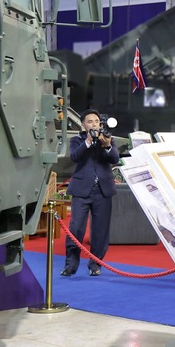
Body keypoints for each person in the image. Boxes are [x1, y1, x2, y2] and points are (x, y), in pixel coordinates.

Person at [63, 109, 120, 276]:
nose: (94, 124)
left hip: (103, 191)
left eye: (96, 121)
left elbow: (115, 158)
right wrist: (88, 141)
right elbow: (74, 156)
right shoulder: (77, 140)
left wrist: (107, 145)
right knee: (76, 228)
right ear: (83, 125)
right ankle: (70, 265)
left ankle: (95, 264)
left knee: (100, 231)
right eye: (90, 122)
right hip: (82, 191)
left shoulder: (108, 139)